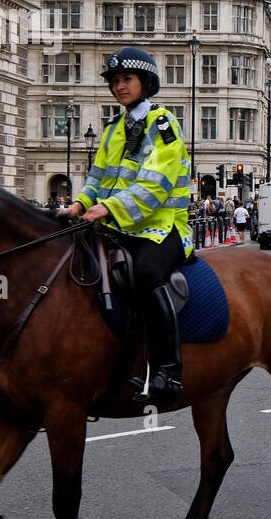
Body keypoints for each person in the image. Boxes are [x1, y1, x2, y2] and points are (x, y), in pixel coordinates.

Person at [58, 47, 193, 403]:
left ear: (145, 82)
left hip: (162, 226)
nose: (120, 86)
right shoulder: (114, 129)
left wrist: (108, 207)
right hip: (119, 224)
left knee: (147, 273)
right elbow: (98, 177)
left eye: (126, 79)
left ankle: (167, 371)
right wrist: (79, 204)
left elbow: (157, 183)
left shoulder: (163, 124)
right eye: (115, 81)